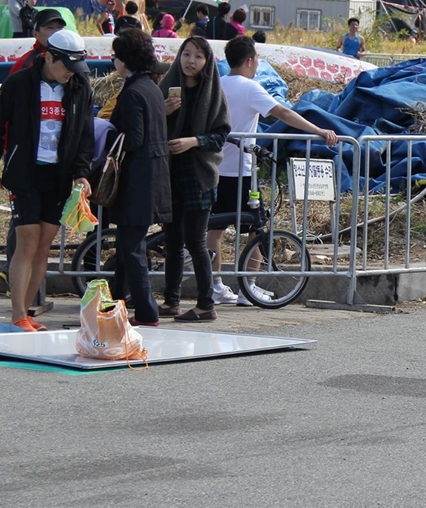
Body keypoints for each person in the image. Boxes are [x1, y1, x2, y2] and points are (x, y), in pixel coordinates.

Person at [208, 35, 338, 304]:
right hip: (242, 170)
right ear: (249, 60)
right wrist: (317, 130)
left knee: (215, 231)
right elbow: (283, 113)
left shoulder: (217, 84)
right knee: (258, 228)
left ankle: (216, 285)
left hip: (215, 167)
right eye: (256, 59)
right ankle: (249, 288)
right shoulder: (250, 87)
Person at [0, 29, 95, 332]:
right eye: (66, 67)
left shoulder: (81, 88)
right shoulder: (19, 84)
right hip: (25, 172)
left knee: (44, 245)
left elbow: (85, 136)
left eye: (76, 69)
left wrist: (82, 173)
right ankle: (18, 313)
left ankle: (27, 312)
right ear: (48, 56)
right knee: (27, 240)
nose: (71, 74)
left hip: (59, 175)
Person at [159, 36, 231, 322]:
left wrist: (193, 141)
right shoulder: (166, 86)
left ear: (207, 62)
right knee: (172, 241)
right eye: (186, 54)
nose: (191, 61)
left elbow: (221, 135)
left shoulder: (212, 91)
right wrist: (162, 111)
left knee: (195, 242)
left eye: (198, 56)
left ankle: (205, 304)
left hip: (199, 174)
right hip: (169, 172)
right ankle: (171, 301)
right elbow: (150, 124)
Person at [107, 29, 172, 326]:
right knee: (126, 246)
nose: (114, 63)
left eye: (115, 57)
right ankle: (114, 304)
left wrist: (105, 135)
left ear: (124, 61)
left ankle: (146, 311)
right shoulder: (151, 87)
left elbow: (133, 138)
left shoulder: (132, 92)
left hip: (136, 180)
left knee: (131, 249)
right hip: (153, 177)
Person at [10, 9, 68, 76]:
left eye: (60, 27)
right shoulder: (25, 64)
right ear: (35, 34)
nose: (56, 32)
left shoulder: (73, 58)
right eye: (50, 27)